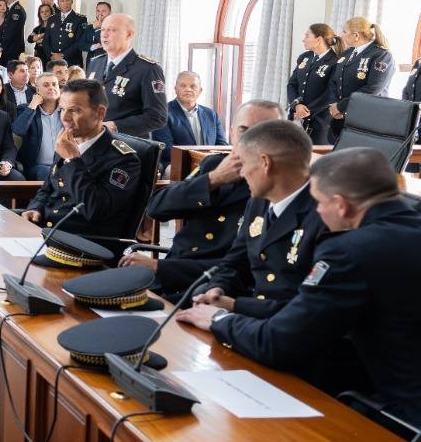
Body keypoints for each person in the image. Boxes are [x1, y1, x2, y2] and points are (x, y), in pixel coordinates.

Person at [176, 148, 421, 425]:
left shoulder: (348, 252)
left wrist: (219, 319)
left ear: (341, 205)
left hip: (403, 422)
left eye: (318, 202)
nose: (316, 211)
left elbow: (279, 343)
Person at [124, 100, 283, 302]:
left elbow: (246, 268)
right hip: (166, 278)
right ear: (232, 133)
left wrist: (161, 267)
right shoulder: (214, 164)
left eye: (263, 133)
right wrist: (213, 179)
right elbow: (157, 208)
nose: (251, 142)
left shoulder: (278, 190)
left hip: (210, 290)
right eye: (244, 131)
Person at [183, 117, 328, 319]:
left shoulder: (326, 216)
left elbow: (310, 308)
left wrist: (235, 306)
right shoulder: (260, 201)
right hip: (254, 320)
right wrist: (217, 288)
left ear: (265, 163)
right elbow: (236, 260)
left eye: (243, 163)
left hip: (290, 328)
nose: (241, 173)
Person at [22, 78, 142, 239]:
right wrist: (35, 207)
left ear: (100, 113)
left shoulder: (124, 160)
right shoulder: (69, 141)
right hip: (46, 232)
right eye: (62, 109)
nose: (64, 117)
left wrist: (73, 160)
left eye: (75, 110)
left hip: (83, 244)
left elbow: (95, 210)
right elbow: (48, 188)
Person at [85, 12, 168, 138]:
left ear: (129, 34)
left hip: (127, 146)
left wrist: (116, 126)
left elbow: (158, 116)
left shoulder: (147, 69)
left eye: (112, 30)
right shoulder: (95, 63)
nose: (105, 34)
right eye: (102, 29)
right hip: (95, 142)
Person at [326, 15, 393, 142]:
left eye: (345, 32)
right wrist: (334, 106)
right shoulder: (347, 53)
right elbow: (334, 81)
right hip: (340, 118)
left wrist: (341, 106)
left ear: (356, 35)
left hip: (366, 119)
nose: (342, 35)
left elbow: (373, 89)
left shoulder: (381, 55)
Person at [286, 23, 341, 144]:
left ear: (319, 39)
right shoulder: (305, 57)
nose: (303, 39)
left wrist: (306, 111)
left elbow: (330, 93)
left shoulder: (335, 62)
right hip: (295, 118)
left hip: (319, 122)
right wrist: (296, 106)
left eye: (307, 36)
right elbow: (292, 84)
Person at [155, 71, 224, 158]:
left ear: (200, 91)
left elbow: (222, 146)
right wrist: (198, 159)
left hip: (209, 163)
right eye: (183, 86)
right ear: (175, 89)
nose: (188, 89)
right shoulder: (163, 113)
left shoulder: (211, 114)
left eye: (193, 86)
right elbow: (167, 150)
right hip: (176, 163)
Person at [12, 72, 64, 179]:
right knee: (48, 173)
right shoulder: (26, 109)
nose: (51, 87)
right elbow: (18, 130)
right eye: (46, 85)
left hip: (64, 165)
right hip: (37, 167)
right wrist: (33, 105)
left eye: (54, 84)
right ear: (37, 90)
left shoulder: (66, 111)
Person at [50, 0, 88, 67]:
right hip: (54, 60)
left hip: (72, 60)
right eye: (62, 1)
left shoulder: (80, 19)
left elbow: (79, 41)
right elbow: (46, 40)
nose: (65, 3)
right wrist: (51, 55)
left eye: (67, 0)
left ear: (72, 2)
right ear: (58, 3)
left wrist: (62, 54)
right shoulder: (52, 19)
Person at [0, 0, 27, 65]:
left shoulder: (17, 10)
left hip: (12, 48)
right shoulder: (11, 9)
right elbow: (4, 27)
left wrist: (2, 46)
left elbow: (11, 31)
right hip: (8, 47)